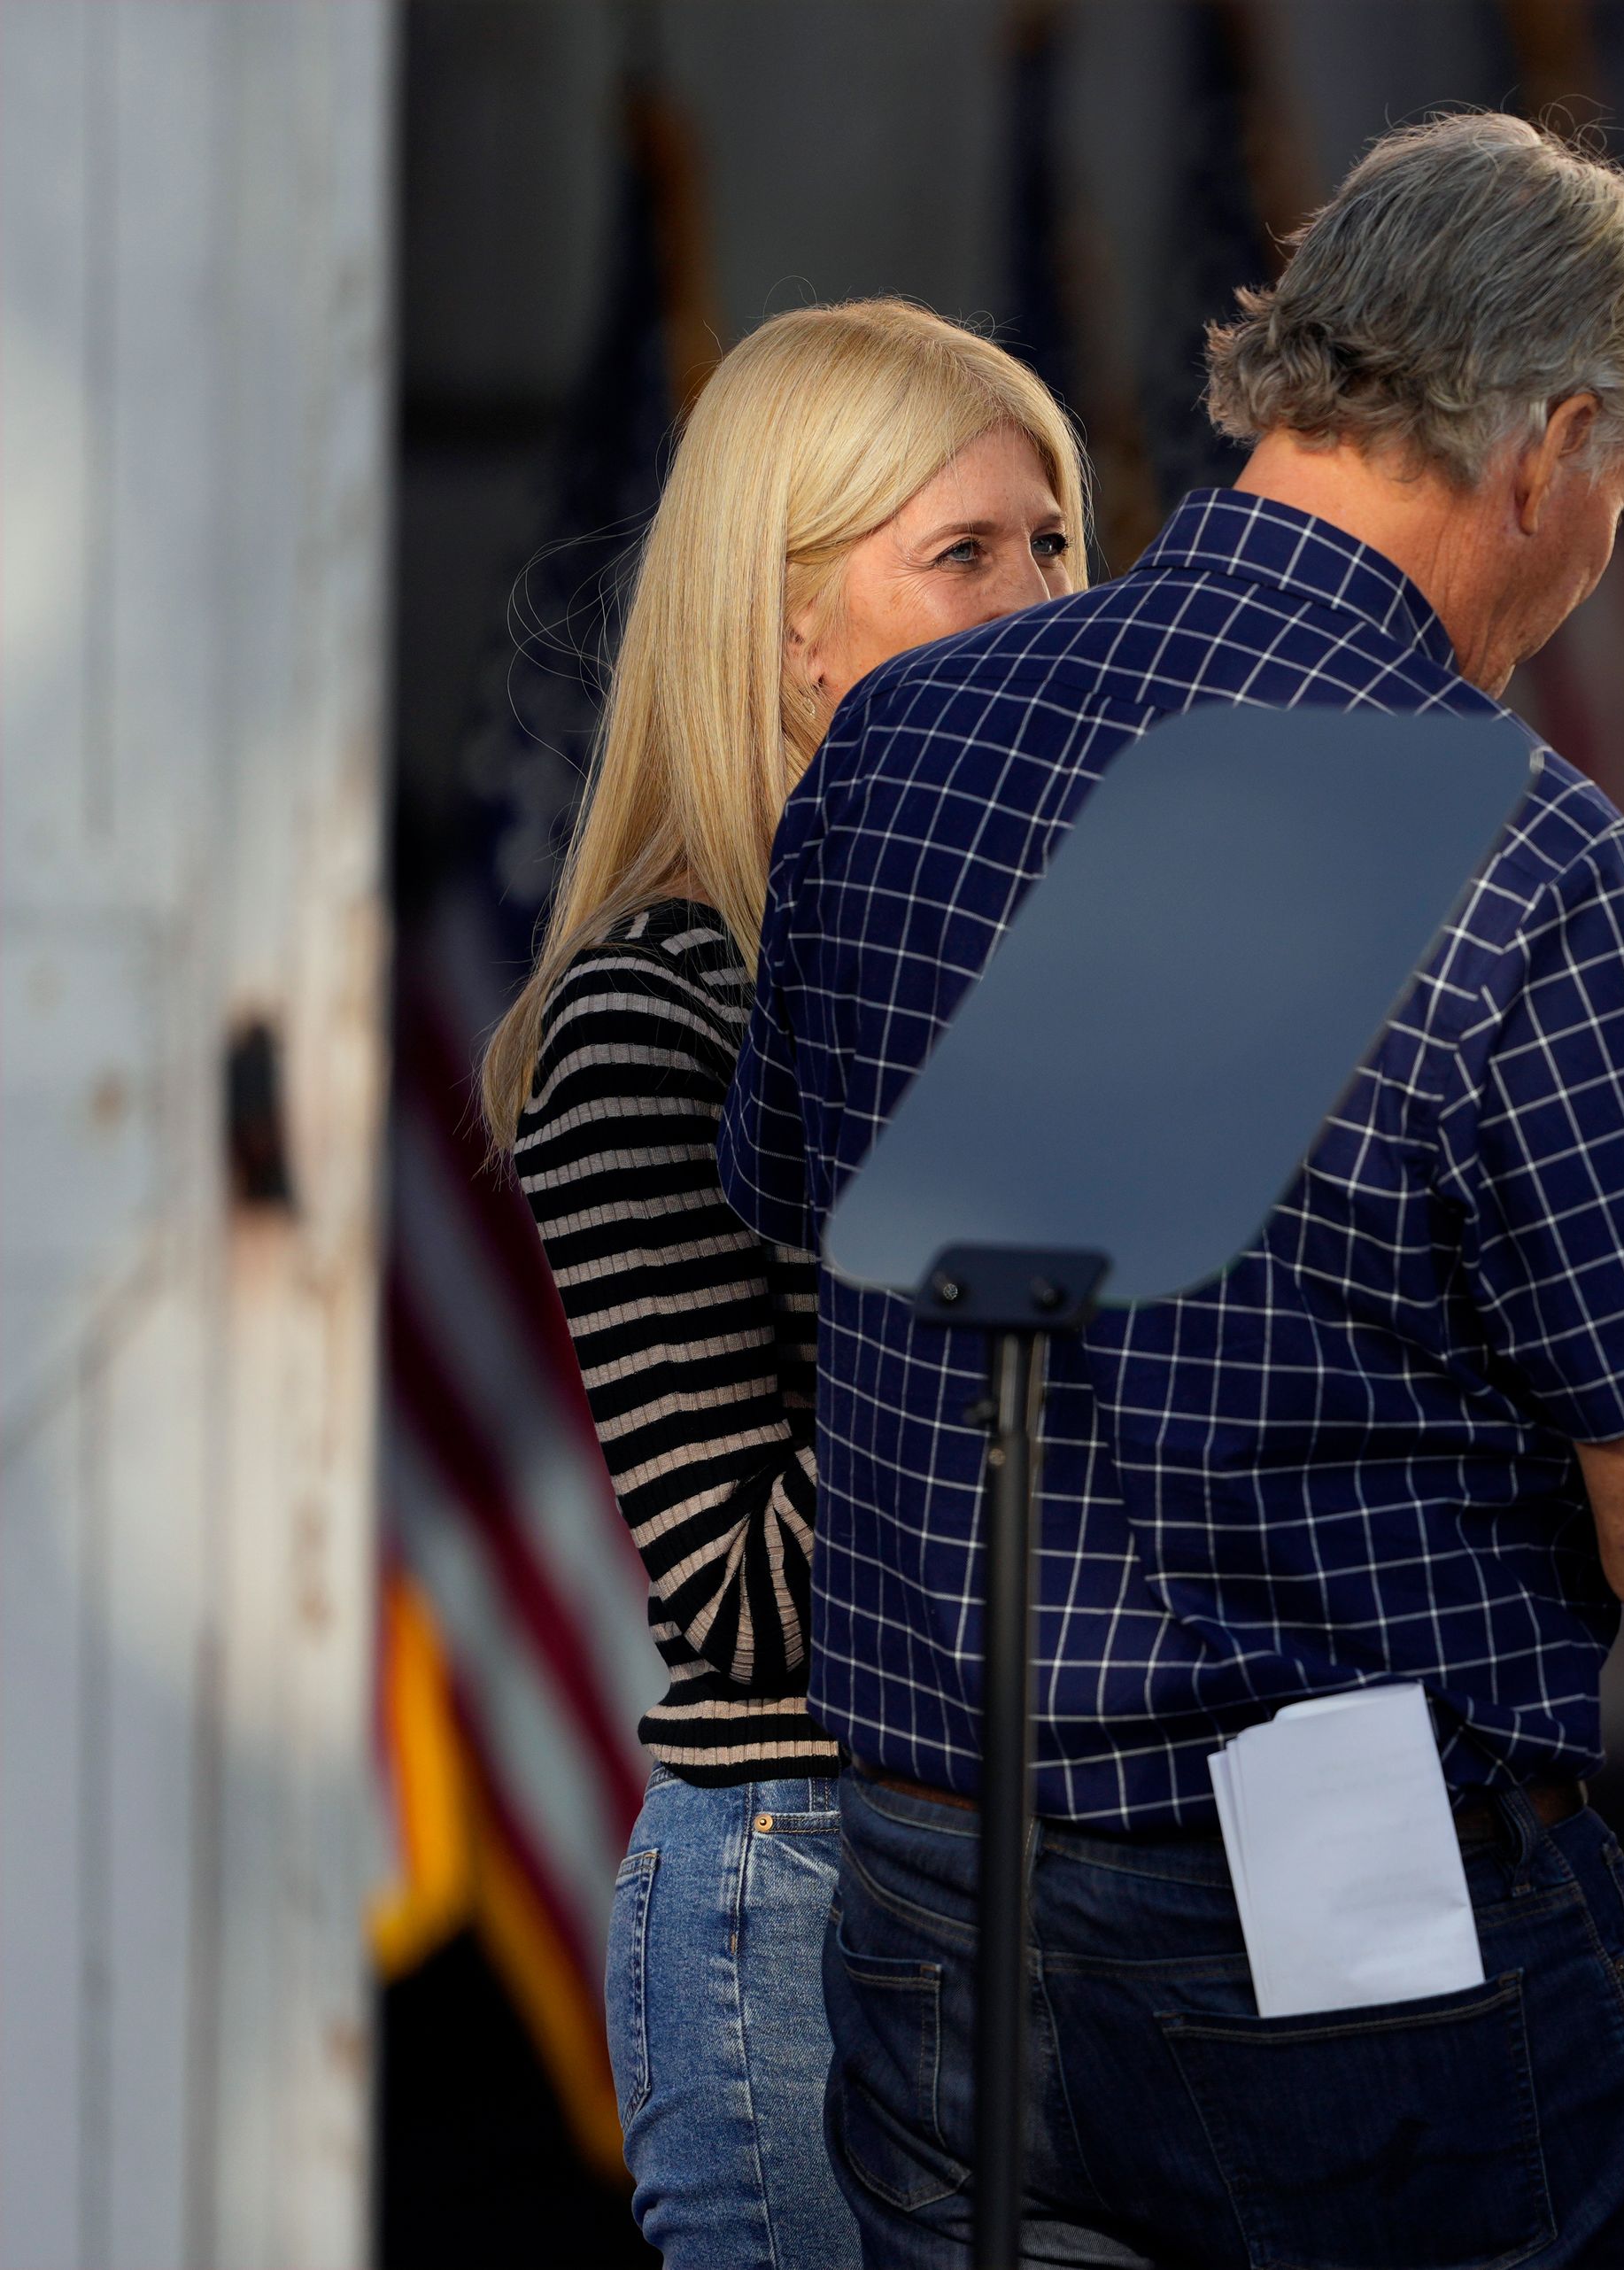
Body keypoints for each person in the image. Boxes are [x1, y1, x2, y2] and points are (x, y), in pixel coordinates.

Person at [717, 113, 1624, 2267]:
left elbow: (805, 1202)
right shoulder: (1544, 865)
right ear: (1552, 442)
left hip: (933, 1881)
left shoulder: (895, 742)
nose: (1602, 551)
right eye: (1623, 495)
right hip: (1337, 1927)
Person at [482, 298, 1087, 2267]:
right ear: (784, 626)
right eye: (962, 553)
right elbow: (739, 1596)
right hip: (809, 1894)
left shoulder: (1088, 993)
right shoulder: (652, 1016)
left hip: (1095, 1893)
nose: (1040, 598)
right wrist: (1033, 1190)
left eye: (1057, 539)